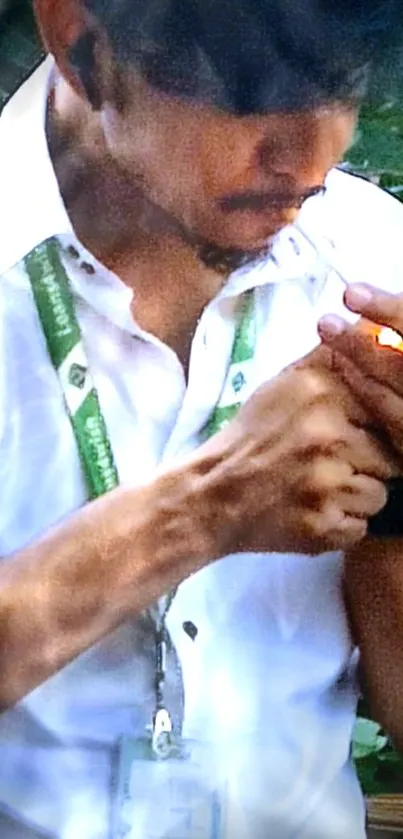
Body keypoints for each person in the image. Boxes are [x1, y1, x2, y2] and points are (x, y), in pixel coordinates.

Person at [1, 0, 403, 837]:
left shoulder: (374, 258)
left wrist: (398, 509)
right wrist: (204, 508)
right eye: (247, 94)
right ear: (78, 41)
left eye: (345, 87)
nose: (311, 158)